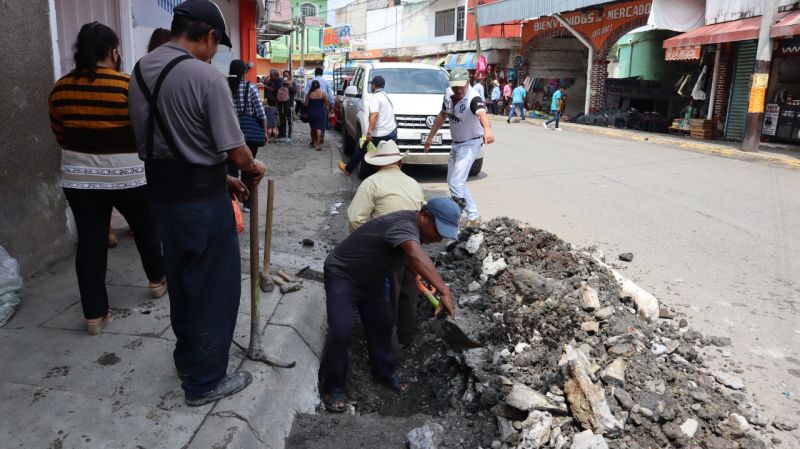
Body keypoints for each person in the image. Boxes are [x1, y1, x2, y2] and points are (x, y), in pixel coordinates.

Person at [128, 0, 265, 407]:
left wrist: (219, 177)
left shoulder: (139, 70)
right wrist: (250, 166)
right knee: (215, 288)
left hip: (161, 194)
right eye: (216, 45)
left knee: (183, 281)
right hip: (201, 204)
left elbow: (168, 142)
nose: (215, 52)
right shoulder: (205, 78)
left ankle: (187, 360)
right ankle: (205, 381)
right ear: (206, 36)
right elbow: (236, 151)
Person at [48, 22, 167, 335]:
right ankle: (157, 281)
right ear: (114, 52)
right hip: (128, 175)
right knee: (145, 229)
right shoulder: (127, 86)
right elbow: (146, 131)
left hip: (79, 178)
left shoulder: (61, 88)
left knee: (90, 240)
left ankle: (95, 315)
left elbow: (59, 133)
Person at [322, 196, 460, 413]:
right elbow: (413, 254)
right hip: (343, 275)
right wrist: (444, 290)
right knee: (342, 330)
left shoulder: (413, 228)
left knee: (382, 325)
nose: (440, 238)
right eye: (439, 230)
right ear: (424, 216)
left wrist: (418, 276)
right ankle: (333, 388)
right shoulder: (404, 225)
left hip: (371, 278)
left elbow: (406, 255)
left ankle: (384, 374)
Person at [346, 141, 426, 352]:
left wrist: (367, 244)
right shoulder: (414, 183)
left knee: (388, 295)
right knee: (408, 290)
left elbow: (355, 219)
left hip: (386, 246)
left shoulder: (372, 183)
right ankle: (405, 338)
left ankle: (387, 347)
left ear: (377, 164)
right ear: (399, 161)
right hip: (412, 243)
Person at [424, 68, 495, 228]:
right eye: (455, 87)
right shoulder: (449, 93)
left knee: (457, 182)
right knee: (452, 181)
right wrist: (430, 137)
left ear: (468, 83)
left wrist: (488, 130)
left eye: (460, 87)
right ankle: (464, 213)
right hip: (456, 143)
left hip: (471, 143)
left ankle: (470, 216)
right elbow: (442, 115)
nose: (457, 91)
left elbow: (482, 113)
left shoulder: (473, 98)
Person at [337, 75, 396, 177]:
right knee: (386, 156)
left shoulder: (375, 97)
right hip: (391, 132)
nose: (371, 87)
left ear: (374, 85)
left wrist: (369, 132)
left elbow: (374, 115)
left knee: (362, 147)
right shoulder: (386, 97)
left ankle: (348, 169)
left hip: (380, 133)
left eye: (371, 85)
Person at [228, 59, 267, 211]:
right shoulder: (250, 87)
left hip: (230, 132)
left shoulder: (225, 86)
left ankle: (231, 203)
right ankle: (247, 203)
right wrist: (265, 131)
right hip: (249, 134)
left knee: (231, 168)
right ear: (244, 73)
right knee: (248, 166)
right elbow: (260, 111)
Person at [304, 67, 334, 143]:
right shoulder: (326, 82)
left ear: (315, 73)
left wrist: (306, 104)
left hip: (312, 106)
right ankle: (320, 138)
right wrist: (331, 104)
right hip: (322, 105)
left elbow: (306, 93)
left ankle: (314, 139)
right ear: (322, 73)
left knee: (312, 124)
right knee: (321, 123)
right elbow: (330, 94)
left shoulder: (310, 82)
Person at [304, 80, 329, 150]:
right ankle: (318, 145)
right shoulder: (323, 94)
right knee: (318, 129)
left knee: (312, 129)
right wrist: (328, 113)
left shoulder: (309, 94)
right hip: (320, 113)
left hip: (311, 113)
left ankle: (313, 142)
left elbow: (306, 104)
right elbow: (327, 105)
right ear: (319, 86)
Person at [278, 69, 296, 139]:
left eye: (286, 75)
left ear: (289, 76)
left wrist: (290, 85)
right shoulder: (280, 83)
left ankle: (290, 134)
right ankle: (282, 134)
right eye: (284, 75)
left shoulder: (292, 83)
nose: (285, 77)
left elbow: (294, 91)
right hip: (281, 104)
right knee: (282, 119)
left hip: (289, 104)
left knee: (290, 120)